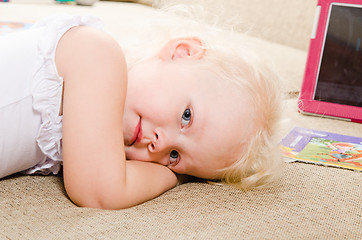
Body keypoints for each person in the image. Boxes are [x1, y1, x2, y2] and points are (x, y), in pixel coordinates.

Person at [0, 9, 282, 209]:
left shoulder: (90, 142)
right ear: (182, 53)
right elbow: (101, 192)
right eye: (186, 116)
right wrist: (174, 175)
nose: (159, 144)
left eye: (174, 156)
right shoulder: (98, 55)